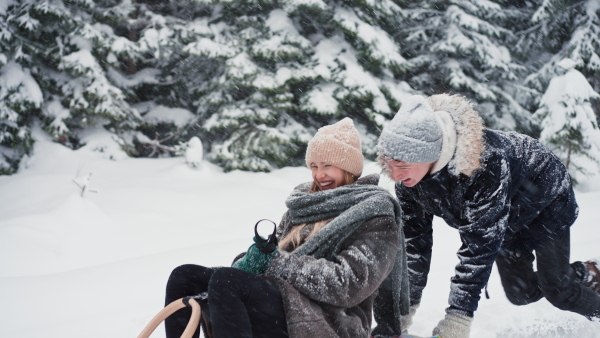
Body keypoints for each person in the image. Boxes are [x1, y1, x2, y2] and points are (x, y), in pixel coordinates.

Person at [375, 94, 600, 338]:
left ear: (427, 152)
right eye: (389, 164)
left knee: (558, 289)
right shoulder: (409, 184)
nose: (395, 174)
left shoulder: (483, 164)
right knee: (520, 294)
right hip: (502, 216)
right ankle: (583, 272)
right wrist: (400, 314)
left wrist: (458, 317)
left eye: (403, 163)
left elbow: (478, 248)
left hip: (544, 202)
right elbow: (413, 249)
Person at [164, 117, 409, 338]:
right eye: (313, 166)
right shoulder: (303, 208)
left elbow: (348, 285)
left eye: (327, 166)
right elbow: (273, 254)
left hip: (333, 320)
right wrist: (251, 259)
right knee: (185, 276)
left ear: (348, 168)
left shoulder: (376, 218)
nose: (319, 174)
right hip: (285, 299)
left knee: (227, 281)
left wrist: (275, 261)